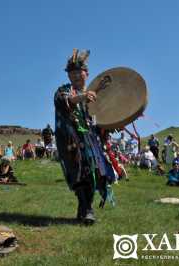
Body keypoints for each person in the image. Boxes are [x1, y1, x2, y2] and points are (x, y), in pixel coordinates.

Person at [54, 49, 116, 224]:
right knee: (78, 172)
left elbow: (102, 117)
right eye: (71, 73)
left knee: (94, 172)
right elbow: (65, 100)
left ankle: (84, 210)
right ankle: (87, 210)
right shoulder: (63, 90)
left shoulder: (93, 94)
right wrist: (82, 96)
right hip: (71, 141)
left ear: (86, 73)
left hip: (92, 140)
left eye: (78, 72)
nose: (74, 76)